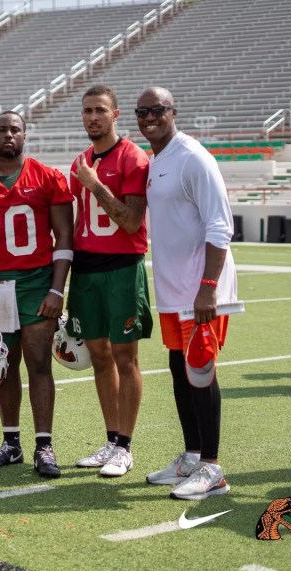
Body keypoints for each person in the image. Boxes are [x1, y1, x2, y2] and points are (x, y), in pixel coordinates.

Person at [0, 111, 73, 479]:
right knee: (2, 366)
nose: (9, 135)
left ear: (25, 135)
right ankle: (11, 443)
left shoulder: (48, 178)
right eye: (2, 130)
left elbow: (64, 239)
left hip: (37, 283)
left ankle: (44, 446)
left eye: (15, 129)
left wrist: (57, 288)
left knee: (39, 365)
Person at [136, 86, 238, 500]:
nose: (149, 118)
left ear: (173, 111)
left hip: (201, 289)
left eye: (157, 110)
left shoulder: (194, 157)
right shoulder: (158, 159)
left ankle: (213, 469)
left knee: (200, 371)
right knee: (180, 371)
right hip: (174, 291)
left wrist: (208, 288)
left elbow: (220, 226)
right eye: (142, 112)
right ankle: (193, 456)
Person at [67, 85, 152, 478]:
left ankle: (126, 447)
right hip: (86, 269)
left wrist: (95, 185)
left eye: (100, 110)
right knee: (99, 356)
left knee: (125, 357)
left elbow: (132, 221)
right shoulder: (80, 160)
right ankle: (110, 439)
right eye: (87, 111)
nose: (92, 117)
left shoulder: (133, 158)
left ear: (116, 114)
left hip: (121, 267)